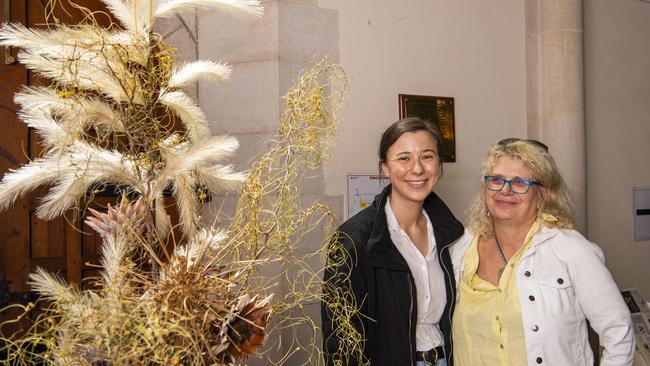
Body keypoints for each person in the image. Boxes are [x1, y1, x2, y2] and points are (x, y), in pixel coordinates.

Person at [451, 138, 635, 366]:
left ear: (544, 194)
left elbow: (619, 332)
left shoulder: (570, 249)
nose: (505, 191)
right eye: (496, 180)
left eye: (520, 182)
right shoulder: (461, 248)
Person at [322, 118, 464, 366]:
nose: (417, 169)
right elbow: (341, 341)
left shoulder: (452, 234)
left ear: (439, 165)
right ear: (385, 168)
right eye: (404, 158)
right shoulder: (355, 240)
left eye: (427, 156)